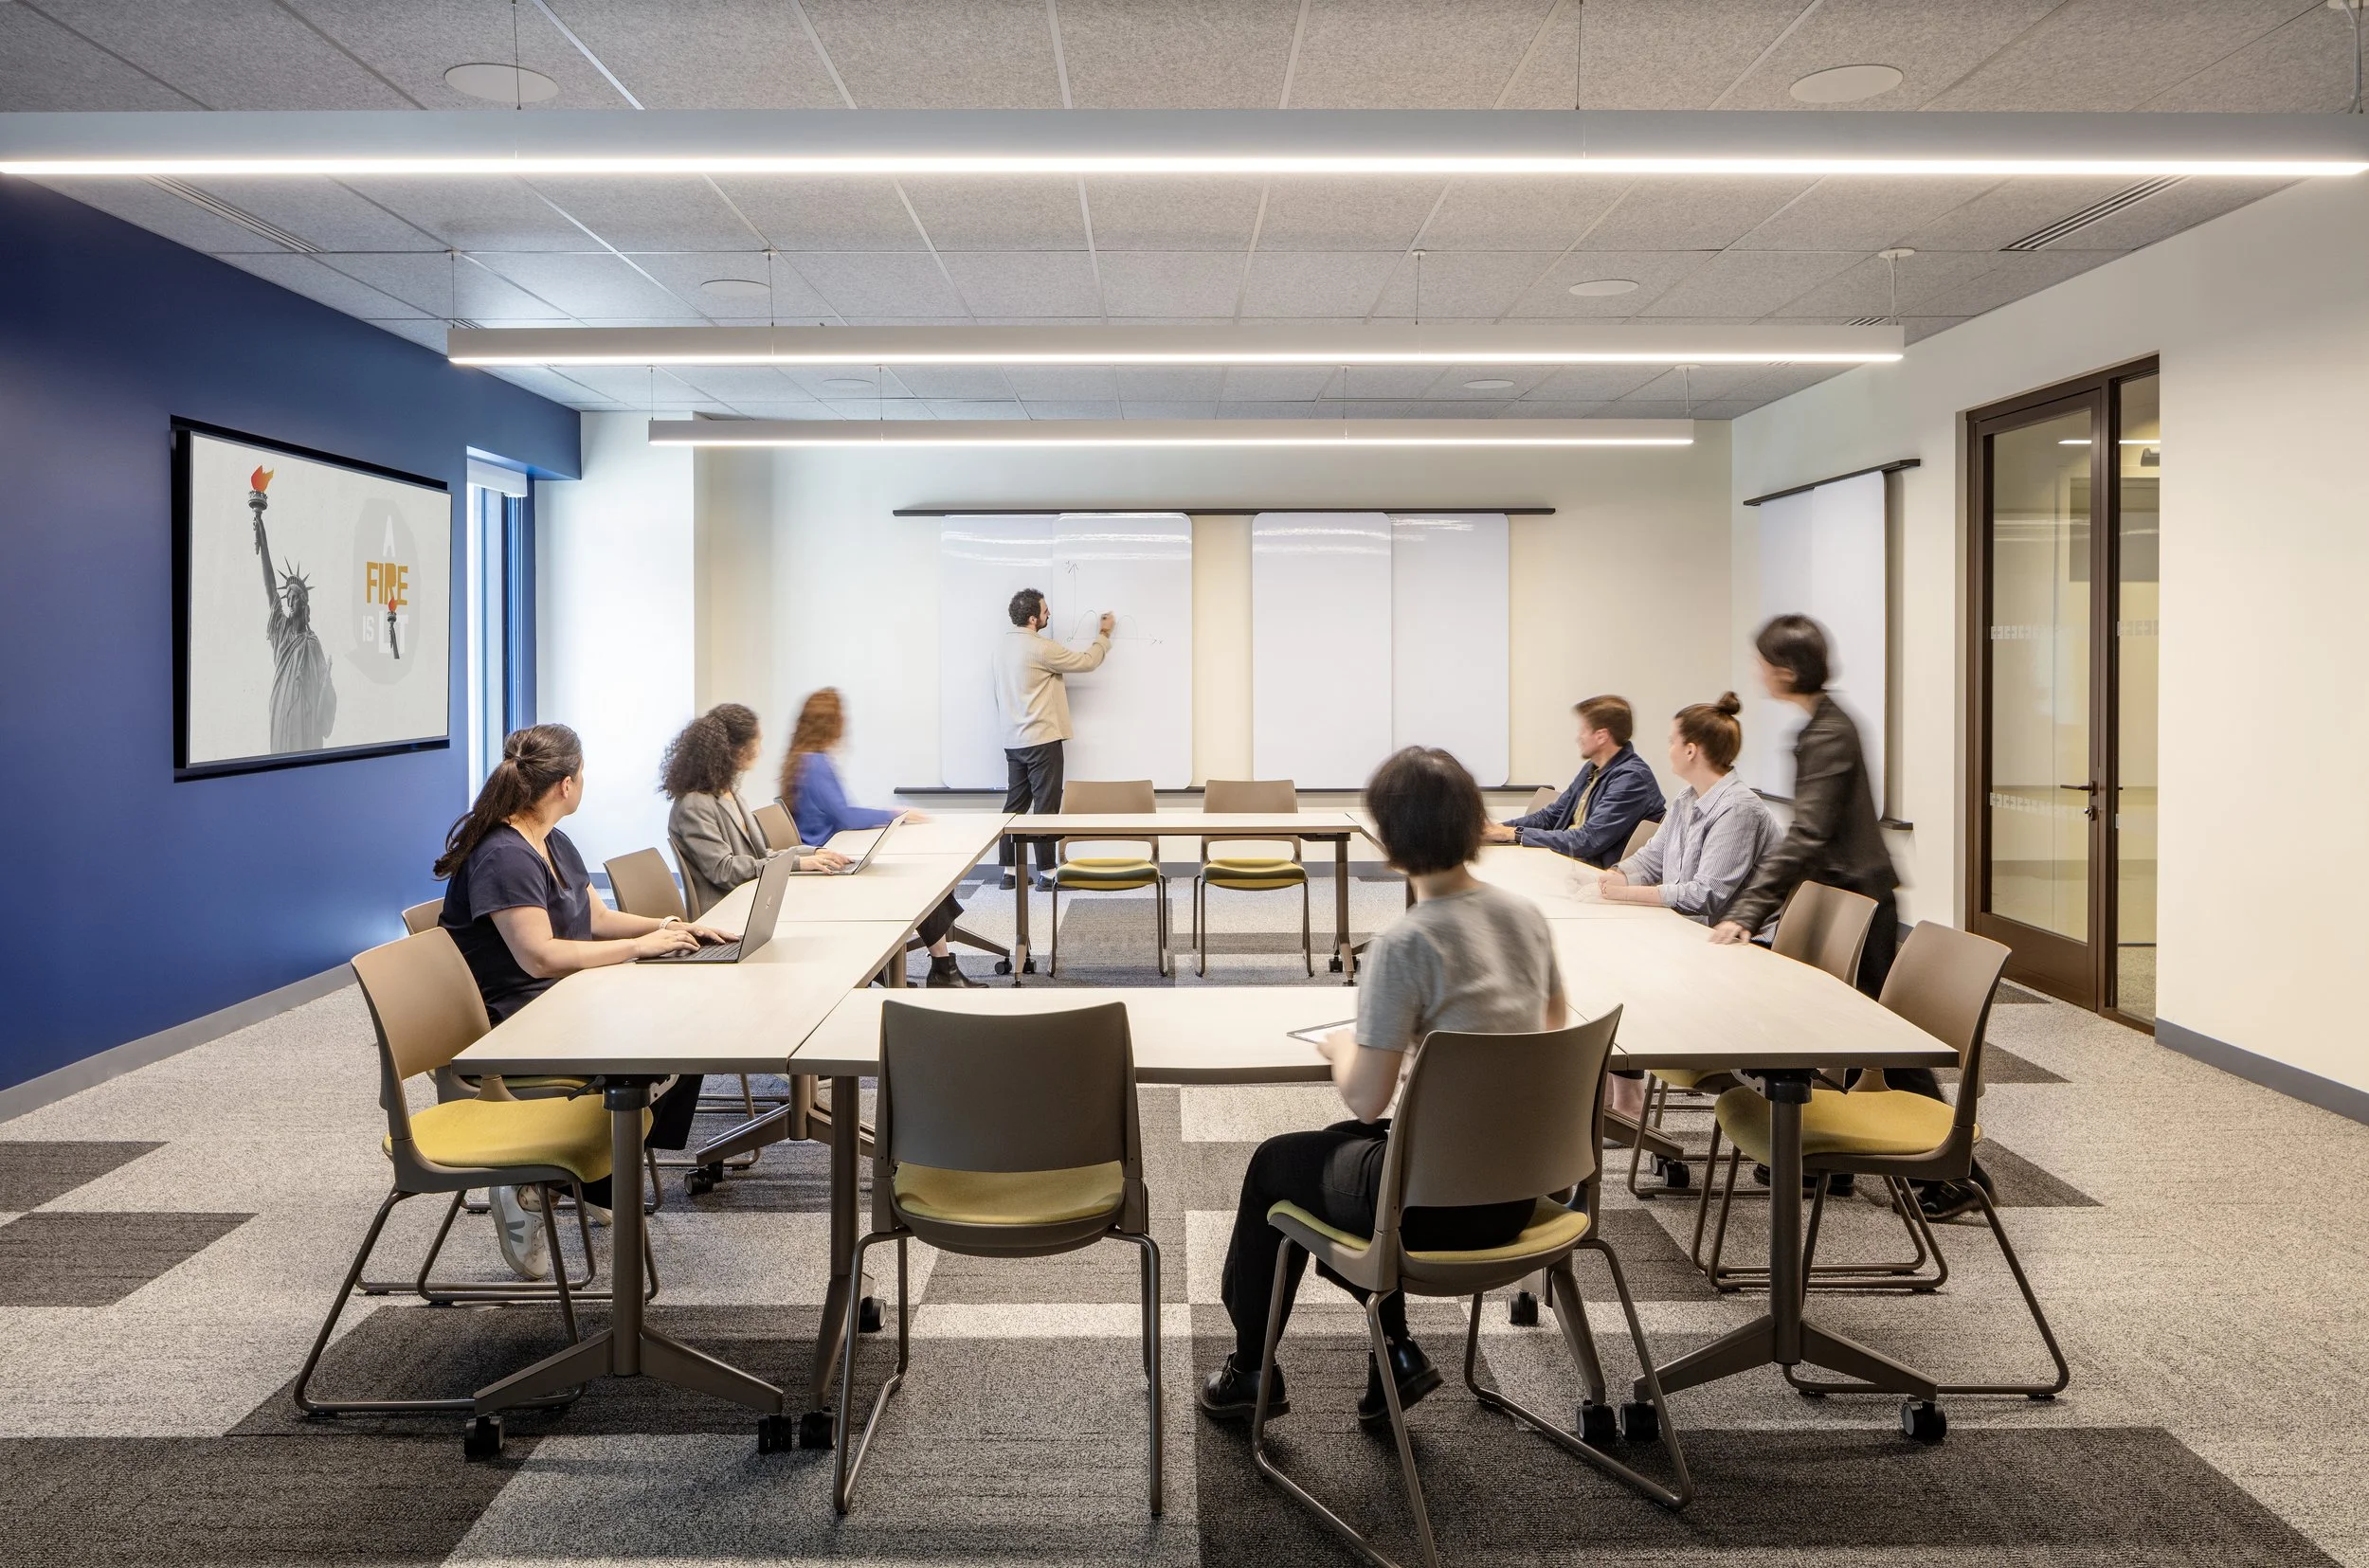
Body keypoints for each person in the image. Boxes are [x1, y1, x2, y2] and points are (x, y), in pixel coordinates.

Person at [1201, 747, 1566, 1429]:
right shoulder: (1528, 918)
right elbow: (1549, 1033)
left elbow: (1367, 1095)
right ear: (1474, 821)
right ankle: (1392, 1350)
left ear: (1389, 843)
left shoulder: (1404, 944)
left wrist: (1344, 1048)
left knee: (1276, 1165)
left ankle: (1253, 1367)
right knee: (1344, 1147)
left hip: (1436, 1208)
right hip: (1522, 1191)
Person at [1710, 616, 1986, 1219]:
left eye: (1762, 662)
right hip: (1842, 897)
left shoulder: (1829, 733)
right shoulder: (1822, 726)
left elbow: (1807, 834)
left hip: (1858, 901)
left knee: (1881, 1035)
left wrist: (1748, 910)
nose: (1756, 672)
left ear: (1784, 671)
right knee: (1836, 1029)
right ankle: (1825, 1159)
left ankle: (1954, 1171)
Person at [435, 723, 731, 1280]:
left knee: (691, 1034)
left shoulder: (552, 839)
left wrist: (671, 927)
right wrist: (638, 949)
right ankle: (528, 1182)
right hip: (516, 1023)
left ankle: (596, 1175)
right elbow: (538, 958)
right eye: (584, 775)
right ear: (566, 784)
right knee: (655, 1048)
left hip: (566, 1000)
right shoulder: (505, 856)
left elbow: (594, 919)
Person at [779, 687, 982, 987]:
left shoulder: (799, 759)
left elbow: (838, 814)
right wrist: (892, 815)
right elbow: (844, 816)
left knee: (916, 880)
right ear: (832, 724)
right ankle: (941, 970)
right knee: (922, 883)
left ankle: (917, 970)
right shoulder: (816, 763)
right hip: (829, 865)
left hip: (826, 854)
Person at [1599, 693, 1779, 928]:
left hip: (1739, 941)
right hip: (1692, 929)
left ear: (1691, 751)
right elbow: (1654, 858)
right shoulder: (1686, 798)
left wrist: (1625, 893)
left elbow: (1704, 895)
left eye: (1672, 741)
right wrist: (1616, 875)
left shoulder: (1738, 808)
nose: (1669, 750)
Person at [660, 702, 846, 916]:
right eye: (758, 742)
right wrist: (797, 864)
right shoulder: (695, 804)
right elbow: (724, 871)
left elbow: (762, 854)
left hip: (753, 899)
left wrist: (813, 853)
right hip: (727, 912)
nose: (761, 750)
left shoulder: (730, 794)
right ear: (740, 751)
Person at [992, 587, 1112, 891]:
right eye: (1045, 611)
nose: (1049, 615)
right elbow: (1086, 662)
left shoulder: (1002, 647)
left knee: (1015, 808)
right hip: (1041, 739)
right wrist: (1103, 635)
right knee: (1046, 806)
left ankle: (1009, 873)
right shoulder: (1041, 648)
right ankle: (1047, 875)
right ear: (1033, 618)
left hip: (1013, 740)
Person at [1484, 694, 1664, 867]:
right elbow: (1552, 815)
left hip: (1593, 874)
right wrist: (1498, 829)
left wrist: (1513, 833)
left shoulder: (1632, 779)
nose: (1578, 737)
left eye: (1583, 730)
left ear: (1601, 736)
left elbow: (1588, 840)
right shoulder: (1593, 768)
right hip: (1568, 861)